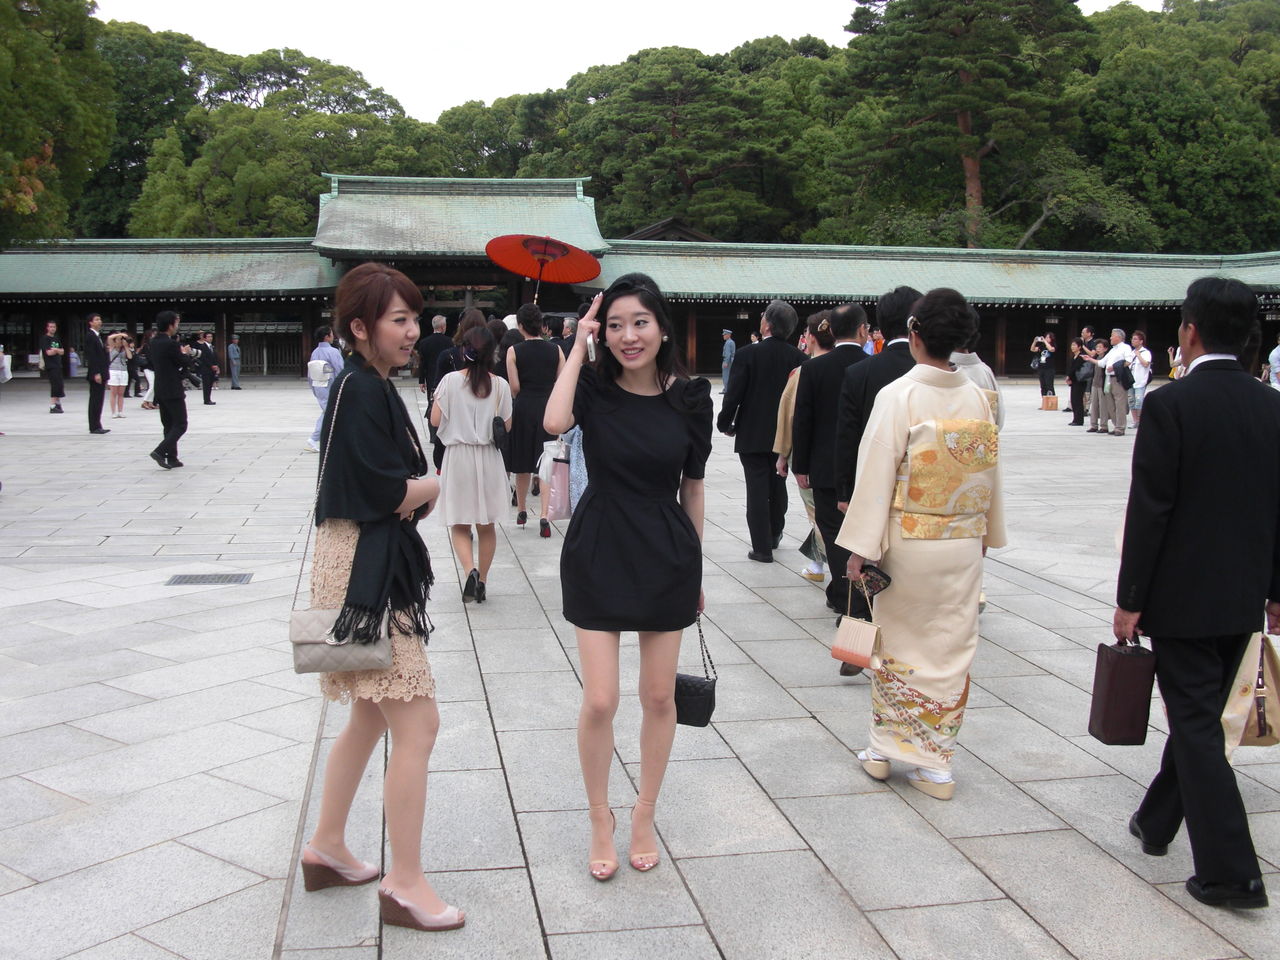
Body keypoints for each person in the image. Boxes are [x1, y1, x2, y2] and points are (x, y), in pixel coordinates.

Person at [301, 261, 463, 933]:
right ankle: (404, 882)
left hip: (356, 560)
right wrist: (432, 484)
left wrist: (418, 485)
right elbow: (392, 493)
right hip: (368, 573)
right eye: (399, 319)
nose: (413, 330)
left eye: (414, 318)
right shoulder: (365, 390)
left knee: (370, 715)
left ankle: (328, 846)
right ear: (360, 327)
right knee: (417, 722)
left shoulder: (358, 384)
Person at [1115, 276, 1280, 911]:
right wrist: (1276, 590)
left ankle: (1231, 872)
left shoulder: (1170, 405)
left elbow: (1150, 511)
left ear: (1189, 330)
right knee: (1205, 718)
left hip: (1180, 598)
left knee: (1197, 725)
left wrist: (1131, 599)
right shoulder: (1272, 408)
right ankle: (1156, 822)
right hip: (1241, 595)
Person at [544, 272, 712, 882]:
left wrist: (696, 566)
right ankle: (599, 817)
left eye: (638, 322)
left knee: (659, 696)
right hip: (600, 547)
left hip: (666, 552)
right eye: (614, 325)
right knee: (600, 697)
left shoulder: (691, 398)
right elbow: (554, 421)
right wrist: (579, 344)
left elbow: (692, 488)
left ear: (662, 327)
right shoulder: (593, 388)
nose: (627, 336)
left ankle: (644, 813)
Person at [837, 288, 1005, 800]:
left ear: (913, 334)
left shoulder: (899, 395)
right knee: (951, 647)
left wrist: (859, 548)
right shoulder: (978, 394)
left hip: (908, 542)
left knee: (898, 644)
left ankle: (884, 749)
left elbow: (875, 475)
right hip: (960, 540)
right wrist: (986, 530)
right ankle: (936, 764)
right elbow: (987, 470)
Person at [792, 303, 869, 614]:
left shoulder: (813, 369)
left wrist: (800, 466)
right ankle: (863, 592)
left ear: (832, 332)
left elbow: (803, 419)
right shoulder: (872, 367)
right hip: (865, 464)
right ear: (863, 330)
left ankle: (842, 592)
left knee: (833, 530)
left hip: (824, 465)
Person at [717, 300, 804, 562]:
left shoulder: (747, 354)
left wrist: (725, 423)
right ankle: (775, 533)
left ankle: (761, 547)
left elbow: (734, 395)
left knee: (756, 488)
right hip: (784, 434)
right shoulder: (799, 358)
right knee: (778, 485)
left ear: (766, 324)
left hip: (752, 431)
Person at [431, 324, 512, 603]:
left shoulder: (451, 381)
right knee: (486, 525)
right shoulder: (500, 385)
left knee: (460, 523)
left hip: (458, 457)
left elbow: (435, 420)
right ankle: (484, 580)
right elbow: (507, 424)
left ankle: (470, 571)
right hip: (489, 457)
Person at [774, 313, 832, 583]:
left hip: (809, 454)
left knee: (818, 513)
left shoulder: (804, 372)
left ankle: (826, 562)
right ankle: (816, 562)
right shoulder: (856, 366)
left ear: (810, 337)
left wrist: (783, 454)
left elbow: (789, 415)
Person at [507, 302, 564, 537]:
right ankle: (544, 515)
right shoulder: (556, 351)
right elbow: (561, 383)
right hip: (547, 407)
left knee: (522, 462)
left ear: (521, 325)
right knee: (546, 462)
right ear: (541, 325)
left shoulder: (514, 351)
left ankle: (521, 509)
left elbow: (515, 387)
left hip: (523, 407)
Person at [148, 311, 191, 468]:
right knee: (180, 424)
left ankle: (172, 458)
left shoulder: (153, 342)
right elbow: (183, 362)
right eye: (176, 323)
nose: (177, 327)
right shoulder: (171, 343)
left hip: (160, 386)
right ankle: (160, 451)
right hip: (172, 387)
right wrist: (185, 353)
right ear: (170, 324)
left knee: (168, 424)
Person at [306, 326, 345, 453]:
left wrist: (312, 387)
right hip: (330, 385)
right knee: (329, 412)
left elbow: (310, 373)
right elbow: (339, 370)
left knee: (329, 412)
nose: (333, 336)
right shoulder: (333, 352)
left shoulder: (315, 352)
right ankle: (313, 438)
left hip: (318, 385)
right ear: (327, 337)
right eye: (332, 334)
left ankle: (331, 439)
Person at [1097, 328, 1135, 435]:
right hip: (1108, 378)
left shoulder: (1125, 348)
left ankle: (1120, 427)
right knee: (1110, 404)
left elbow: (1128, 361)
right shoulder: (1112, 350)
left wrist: (1114, 367)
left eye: (1112, 335)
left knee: (1120, 403)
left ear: (1118, 337)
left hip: (1118, 378)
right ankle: (1115, 424)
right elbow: (1102, 363)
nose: (1110, 337)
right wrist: (1090, 359)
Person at [416, 316, 453, 400]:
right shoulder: (450, 342)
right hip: (446, 377)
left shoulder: (424, 343)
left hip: (431, 376)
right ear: (443, 327)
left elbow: (422, 363)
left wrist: (421, 380)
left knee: (432, 401)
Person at [84, 313, 109, 434]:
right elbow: (92, 356)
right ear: (91, 322)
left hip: (102, 371)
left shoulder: (98, 336)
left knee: (99, 399)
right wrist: (96, 373)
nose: (99, 321)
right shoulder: (90, 336)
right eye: (97, 320)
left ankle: (97, 424)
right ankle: (94, 426)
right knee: (95, 399)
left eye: (100, 319)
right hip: (96, 373)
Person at [1127, 330, 1153, 427]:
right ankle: (1135, 421)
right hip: (1131, 381)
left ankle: (1141, 420)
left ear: (1141, 341)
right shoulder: (1131, 352)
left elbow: (1146, 364)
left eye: (1135, 339)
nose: (1133, 341)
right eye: (1132, 339)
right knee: (1131, 401)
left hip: (1140, 381)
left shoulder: (1146, 352)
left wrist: (1139, 355)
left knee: (1139, 401)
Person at [1064, 337, 1092, 426]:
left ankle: (1079, 420)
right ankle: (1075, 419)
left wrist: (1069, 376)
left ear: (1080, 347)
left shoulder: (1081, 356)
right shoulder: (1074, 356)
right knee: (1074, 400)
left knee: (1078, 400)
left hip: (1080, 381)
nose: (1072, 347)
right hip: (1074, 381)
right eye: (1072, 345)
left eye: (1074, 345)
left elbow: (1075, 369)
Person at [40, 320, 65, 414]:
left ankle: (58, 403)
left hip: (58, 364)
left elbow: (62, 351)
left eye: (54, 327)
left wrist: (56, 350)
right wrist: (57, 350)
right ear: (47, 328)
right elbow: (48, 352)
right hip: (51, 365)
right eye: (50, 327)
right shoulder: (45, 339)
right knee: (55, 385)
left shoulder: (57, 338)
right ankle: (53, 405)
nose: (52, 328)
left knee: (59, 384)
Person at [106, 332, 132, 419]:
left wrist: (126, 346)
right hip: (113, 371)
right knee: (113, 393)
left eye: (121, 340)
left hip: (123, 371)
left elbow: (130, 357)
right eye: (119, 340)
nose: (120, 341)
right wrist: (120, 334)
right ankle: (113, 412)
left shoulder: (125, 349)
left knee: (121, 393)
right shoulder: (112, 347)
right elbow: (109, 337)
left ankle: (120, 411)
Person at [1031, 331, 1056, 397]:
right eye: (1046, 337)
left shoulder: (1054, 345)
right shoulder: (1042, 346)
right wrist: (1035, 341)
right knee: (1043, 386)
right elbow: (1032, 349)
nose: (1047, 338)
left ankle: (1051, 402)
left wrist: (1045, 341)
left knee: (1049, 385)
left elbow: (1051, 349)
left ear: (1051, 339)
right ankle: (1044, 402)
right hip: (1041, 368)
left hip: (1049, 369)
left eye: (1048, 337)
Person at [720, 328, 736, 394]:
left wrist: (726, 362)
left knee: (726, 375)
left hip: (728, 361)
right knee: (729, 375)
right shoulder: (731, 342)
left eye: (725, 335)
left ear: (728, 335)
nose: (723, 336)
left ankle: (727, 389)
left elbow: (728, 353)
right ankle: (726, 388)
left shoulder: (728, 342)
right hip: (731, 360)